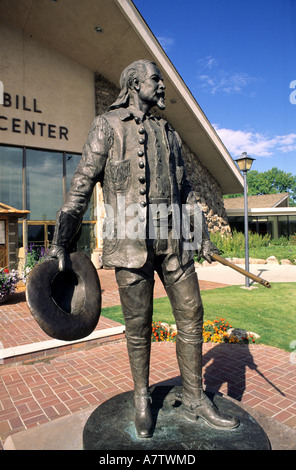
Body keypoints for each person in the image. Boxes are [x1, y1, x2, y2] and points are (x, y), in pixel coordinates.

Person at [49, 59, 239, 438]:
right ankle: (141, 397)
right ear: (135, 83)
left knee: (192, 313)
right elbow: (83, 182)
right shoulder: (107, 126)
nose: (162, 86)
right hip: (130, 241)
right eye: (156, 79)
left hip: (173, 241)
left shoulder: (169, 133)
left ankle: (194, 396)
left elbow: (184, 190)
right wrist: (61, 240)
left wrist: (199, 232)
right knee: (138, 326)